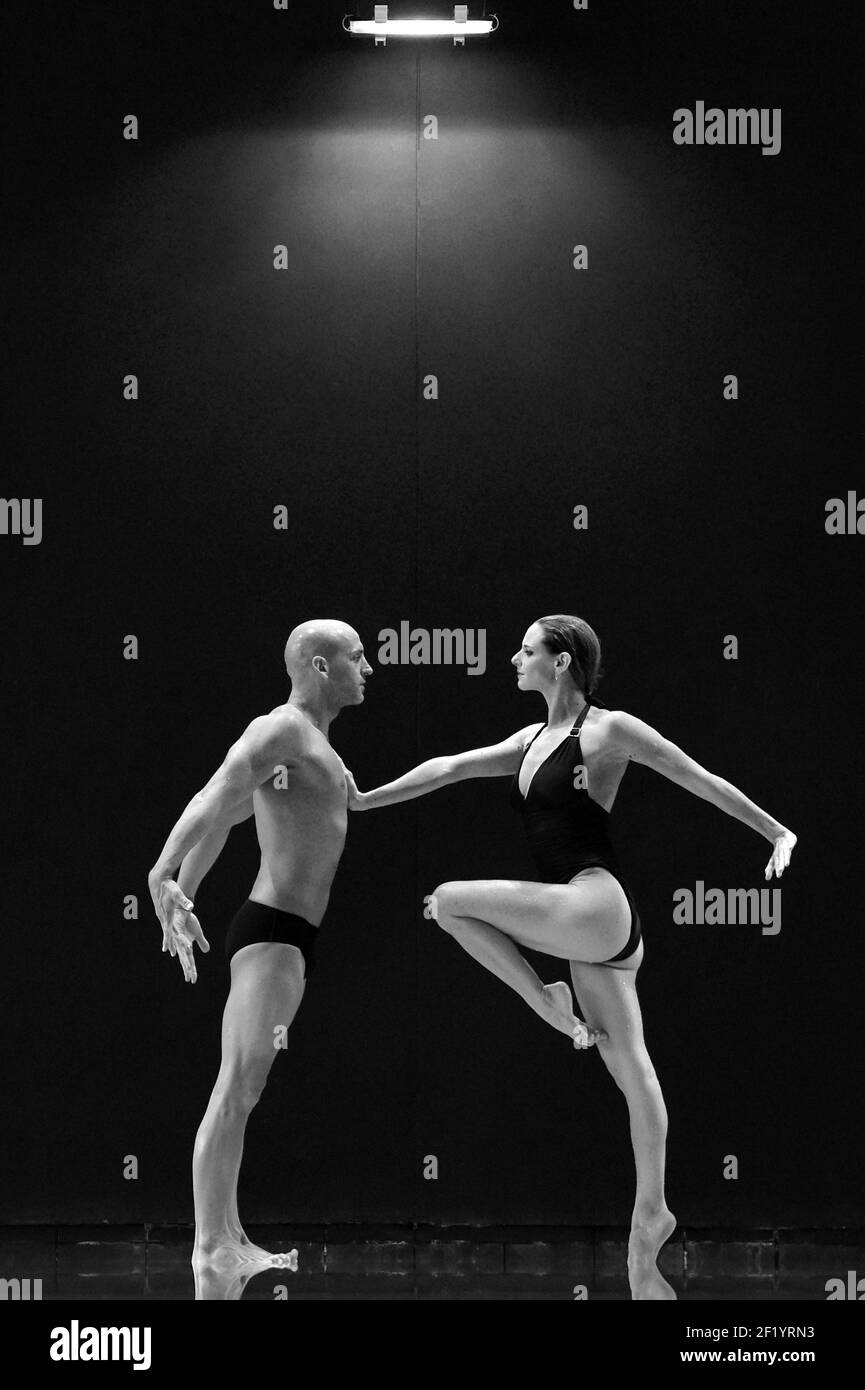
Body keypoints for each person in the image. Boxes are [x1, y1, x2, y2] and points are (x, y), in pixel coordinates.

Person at [346, 613, 797, 1300]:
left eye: (525, 650)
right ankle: (651, 1215)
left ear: (560, 663)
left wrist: (774, 829)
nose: (512, 658)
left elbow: (694, 775)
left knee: (447, 901)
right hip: (590, 933)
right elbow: (450, 767)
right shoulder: (530, 739)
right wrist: (366, 797)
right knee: (628, 1063)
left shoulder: (607, 730)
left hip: (596, 902)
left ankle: (544, 1001)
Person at [147, 620, 372, 1281]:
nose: (369, 668)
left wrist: (184, 894)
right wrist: (161, 875)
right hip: (271, 930)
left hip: (287, 936)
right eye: (357, 657)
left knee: (247, 1087)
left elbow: (227, 818)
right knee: (237, 1085)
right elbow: (214, 791)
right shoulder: (281, 729)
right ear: (319, 666)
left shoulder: (310, 750)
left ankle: (230, 1233)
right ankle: (211, 1243)